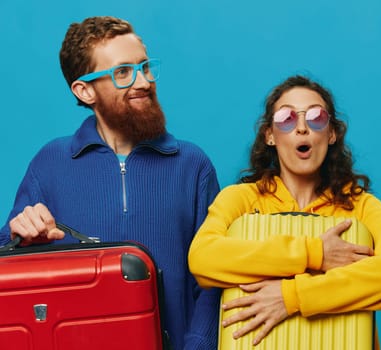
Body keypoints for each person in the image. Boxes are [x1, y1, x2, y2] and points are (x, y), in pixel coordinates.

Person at [0, 16, 220, 350]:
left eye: (145, 67)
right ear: (85, 90)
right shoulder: (50, 162)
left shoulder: (192, 164)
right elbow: (8, 257)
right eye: (123, 73)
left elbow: (212, 278)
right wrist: (22, 234)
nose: (143, 81)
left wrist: (198, 345)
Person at [188, 75, 381, 348]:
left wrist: (292, 296)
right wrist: (316, 254)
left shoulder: (361, 207)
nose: (301, 128)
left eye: (316, 117)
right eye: (286, 118)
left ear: (331, 133)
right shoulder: (240, 200)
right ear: (270, 136)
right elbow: (203, 259)